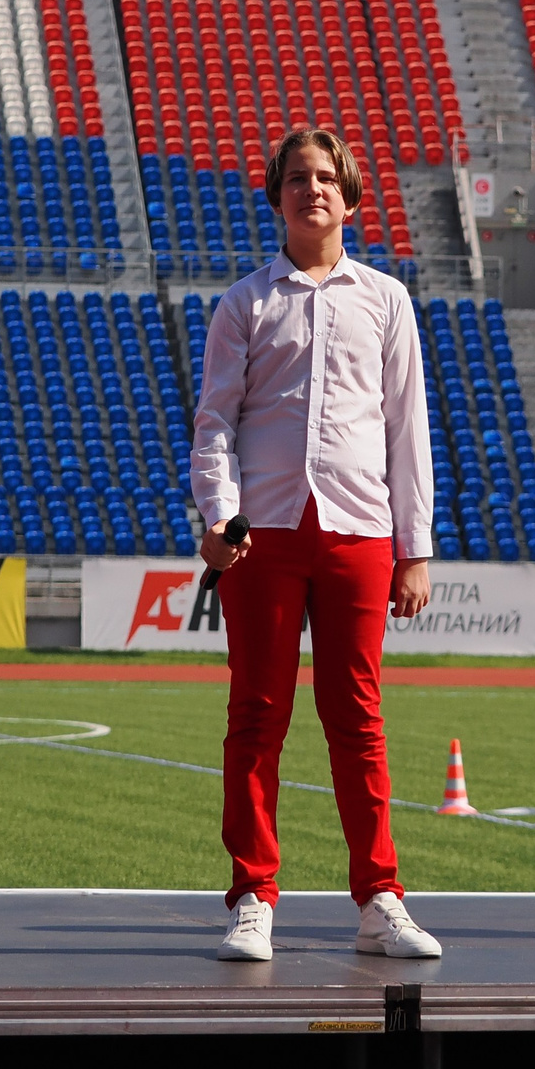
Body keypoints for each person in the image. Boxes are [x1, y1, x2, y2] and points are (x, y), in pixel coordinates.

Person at [194, 128, 441, 964]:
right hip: (261, 535)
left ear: (350, 194)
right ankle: (252, 896)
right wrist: (220, 513)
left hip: (360, 529)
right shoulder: (244, 303)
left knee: (358, 717)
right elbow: (215, 421)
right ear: (277, 196)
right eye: (297, 177)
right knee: (256, 716)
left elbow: (408, 427)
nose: (313, 189)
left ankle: (379, 897)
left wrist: (415, 547)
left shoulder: (387, 299)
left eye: (327, 177)